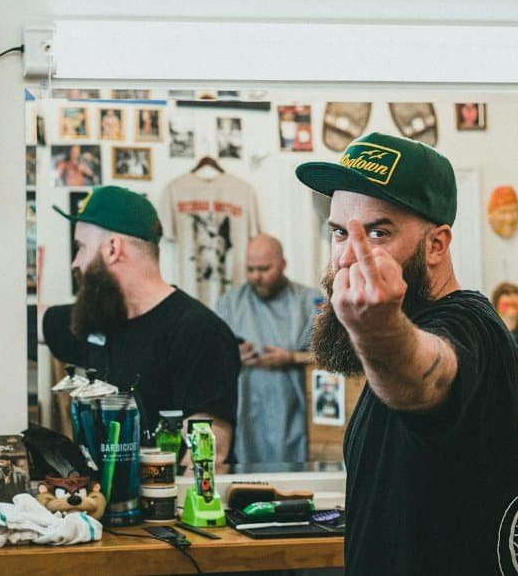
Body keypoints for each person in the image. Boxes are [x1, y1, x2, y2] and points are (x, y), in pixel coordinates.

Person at [295, 132, 518, 576]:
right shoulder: (420, 328)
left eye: (377, 232)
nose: (349, 258)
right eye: (340, 232)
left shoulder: (469, 328)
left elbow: (426, 380)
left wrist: (378, 332)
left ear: (437, 244)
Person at [41, 186, 241, 464]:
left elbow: (207, 458)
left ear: (112, 249)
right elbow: (30, 320)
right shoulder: (97, 320)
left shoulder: (200, 332)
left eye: (80, 248)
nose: (76, 262)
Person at [215, 234, 321, 464]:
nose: (256, 277)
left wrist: (292, 358)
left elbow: (332, 359)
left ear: (283, 264)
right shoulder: (229, 303)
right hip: (247, 411)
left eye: (264, 269)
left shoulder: (311, 301)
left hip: (295, 410)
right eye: (250, 269)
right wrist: (232, 356)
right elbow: (209, 360)